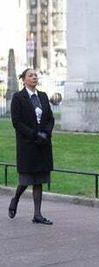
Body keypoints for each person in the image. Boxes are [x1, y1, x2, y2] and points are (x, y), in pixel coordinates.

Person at [8, 68, 54, 225]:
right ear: (24, 79)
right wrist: (34, 134)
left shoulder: (43, 96)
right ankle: (16, 199)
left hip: (43, 145)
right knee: (26, 178)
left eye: (35, 75)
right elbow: (17, 122)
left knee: (39, 179)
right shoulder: (18, 97)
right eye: (30, 75)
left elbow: (50, 119)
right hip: (28, 144)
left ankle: (37, 214)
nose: (34, 77)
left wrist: (46, 134)